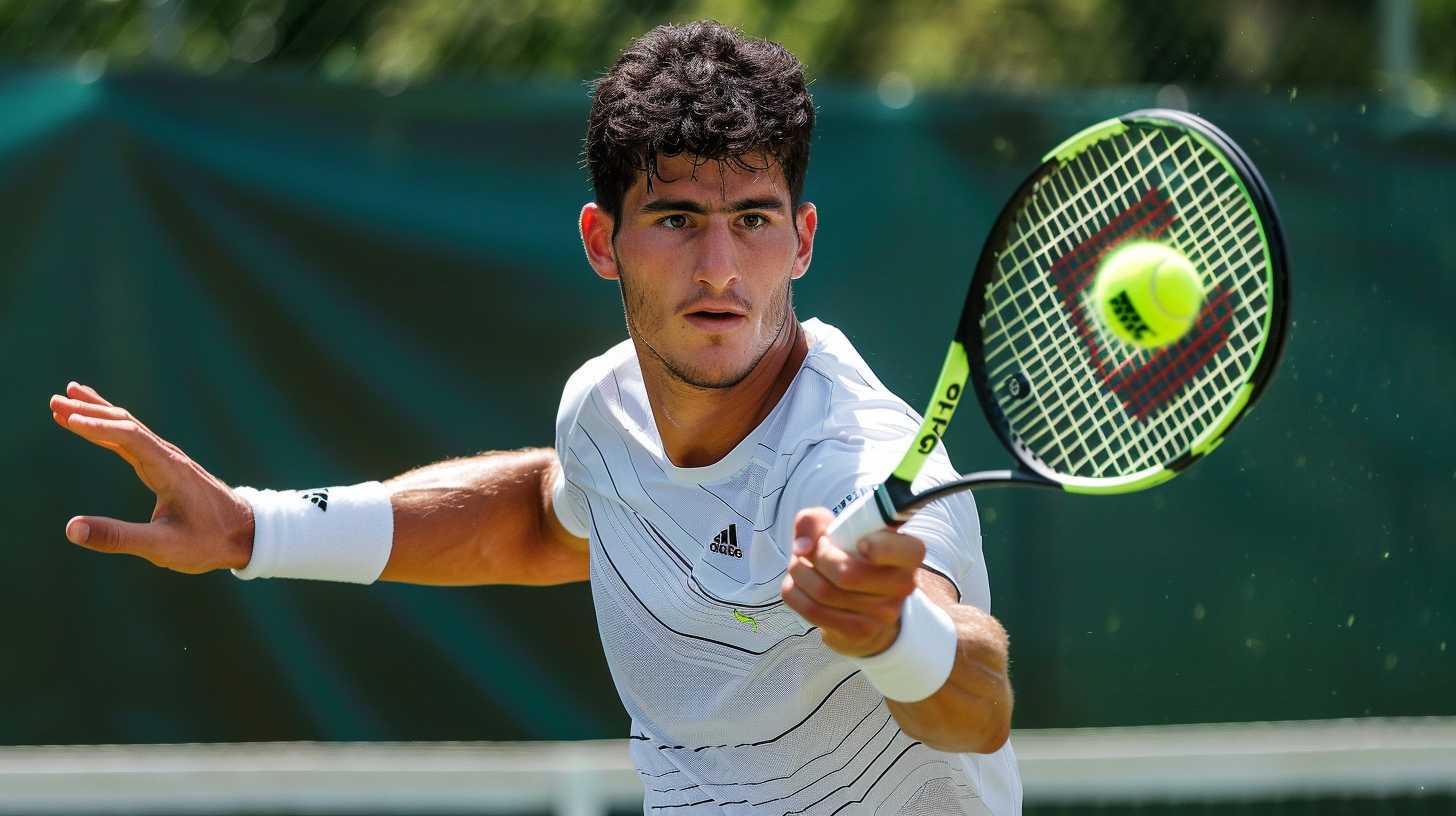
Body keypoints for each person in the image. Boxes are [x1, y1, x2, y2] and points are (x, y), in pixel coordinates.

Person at [49, 20, 1021, 815]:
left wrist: (894, 630)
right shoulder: (603, 411)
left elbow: (975, 707)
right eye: (677, 219)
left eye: (754, 220)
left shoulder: (860, 459)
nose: (720, 267)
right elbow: (535, 518)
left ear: (802, 239)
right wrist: (252, 528)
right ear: (603, 240)